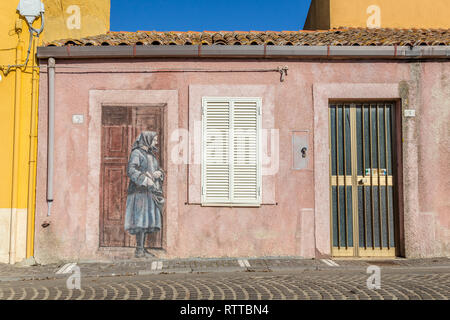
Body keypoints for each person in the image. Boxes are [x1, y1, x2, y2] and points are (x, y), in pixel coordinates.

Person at [124, 131, 165, 258]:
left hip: (150, 192)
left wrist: (159, 173)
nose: (156, 142)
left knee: (147, 220)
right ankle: (139, 250)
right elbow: (131, 170)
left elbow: (156, 170)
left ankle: (142, 248)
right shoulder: (136, 153)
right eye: (154, 140)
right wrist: (144, 179)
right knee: (140, 220)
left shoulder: (151, 155)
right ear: (147, 140)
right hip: (139, 192)